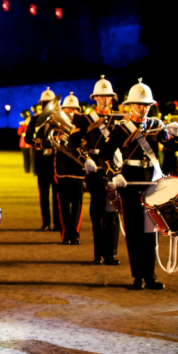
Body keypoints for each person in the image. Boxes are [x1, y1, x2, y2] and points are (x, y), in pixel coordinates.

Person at [99, 79, 178, 290]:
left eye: (146, 104)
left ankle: (150, 275)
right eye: (138, 104)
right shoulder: (120, 129)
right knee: (134, 232)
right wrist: (114, 174)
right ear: (130, 105)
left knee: (150, 233)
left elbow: (172, 147)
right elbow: (104, 155)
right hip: (129, 186)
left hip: (152, 186)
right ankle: (137, 275)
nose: (142, 108)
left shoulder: (156, 126)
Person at [67, 76, 122, 264]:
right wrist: (85, 158)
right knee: (98, 211)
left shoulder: (121, 119)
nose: (104, 100)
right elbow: (72, 143)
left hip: (114, 168)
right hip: (95, 170)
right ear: (95, 97)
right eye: (101, 96)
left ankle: (111, 253)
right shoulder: (85, 119)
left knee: (112, 212)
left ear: (112, 98)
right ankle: (98, 253)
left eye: (107, 96)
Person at [25, 87, 61, 231]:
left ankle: (57, 223)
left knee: (57, 195)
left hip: (55, 161)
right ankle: (46, 222)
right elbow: (28, 138)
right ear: (40, 104)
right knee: (44, 194)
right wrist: (38, 143)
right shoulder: (34, 120)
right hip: (41, 161)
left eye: (49, 103)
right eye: (44, 103)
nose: (46, 106)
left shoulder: (57, 119)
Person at [53, 93, 84, 245]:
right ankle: (66, 233)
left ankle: (75, 233)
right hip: (62, 167)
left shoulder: (82, 124)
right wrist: (56, 138)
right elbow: (46, 139)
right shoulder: (56, 124)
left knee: (77, 203)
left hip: (77, 167)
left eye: (74, 109)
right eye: (67, 109)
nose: (71, 111)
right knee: (63, 203)